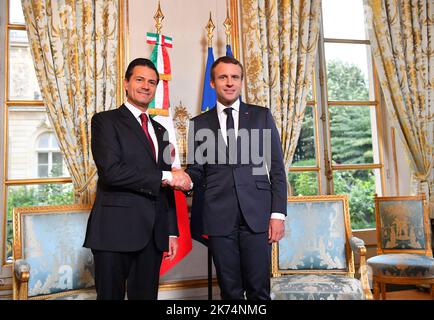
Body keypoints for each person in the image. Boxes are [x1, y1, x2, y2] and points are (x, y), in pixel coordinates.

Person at [83, 58, 191, 300]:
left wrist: (171, 231)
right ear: (126, 83)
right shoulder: (105, 121)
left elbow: (167, 189)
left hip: (153, 235)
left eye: (152, 82)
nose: (146, 86)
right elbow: (111, 172)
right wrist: (166, 176)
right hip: (113, 232)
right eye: (140, 79)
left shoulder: (161, 131)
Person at [184, 56, 287, 300]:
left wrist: (277, 215)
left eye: (235, 77)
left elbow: (277, 170)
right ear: (212, 83)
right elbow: (196, 170)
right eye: (223, 77)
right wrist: (183, 179)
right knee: (229, 292)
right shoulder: (198, 124)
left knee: (259, 290)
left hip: (257, 215)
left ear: (241, 82)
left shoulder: (261, 116)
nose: (229, 82)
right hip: (218, 215)